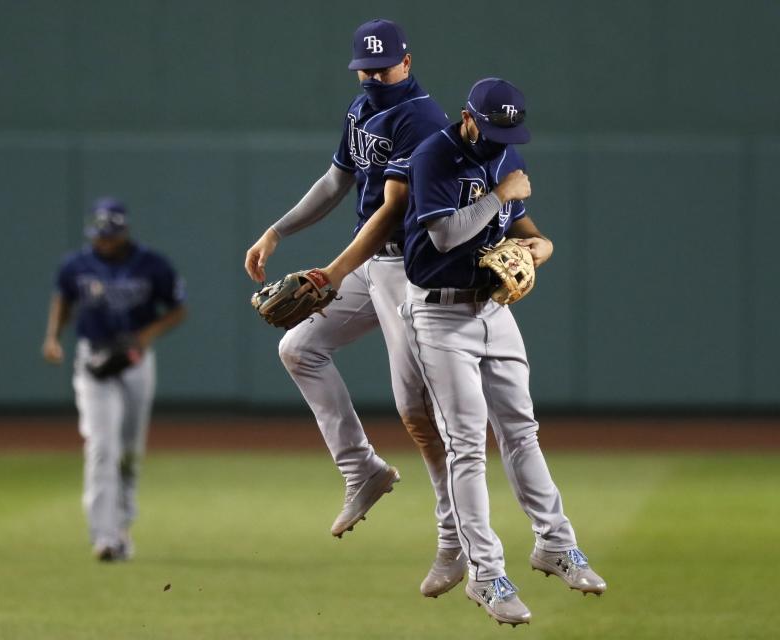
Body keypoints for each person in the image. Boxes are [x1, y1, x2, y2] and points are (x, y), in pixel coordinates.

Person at [244, 18, 467, 597]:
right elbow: (337, 180)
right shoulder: (362, 108)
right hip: (371, 268)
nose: (373, 77)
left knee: (417, 412)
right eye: (365, 69)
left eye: (383, 67)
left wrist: (332, 270)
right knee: (298, 347)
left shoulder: (421, 118)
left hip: (409, 272)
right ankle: (362, 469)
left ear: (407, 63)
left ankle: (454, 540)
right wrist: (278, 230)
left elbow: (393, 212)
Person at [391, 77, 606, 625]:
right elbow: (444, 236)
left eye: (506, 131)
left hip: (493, 308)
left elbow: (518, 224)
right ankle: (486, 576)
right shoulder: (433, 154)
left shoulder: (503, 149)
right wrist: (499, 195)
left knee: (522, 430)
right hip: (438, 313)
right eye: (489, 129)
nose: (497, 140)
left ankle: (555, 544)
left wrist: (542, 244)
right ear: (467, 117)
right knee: (466, 444)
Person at [42, 197, 187, 561]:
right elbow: (63, 299)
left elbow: (177, 309)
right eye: (99, 235)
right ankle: (104, 536)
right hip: (94, 359)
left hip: (135, 360)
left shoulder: (152, 264)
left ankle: (122, 525)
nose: (102, 241)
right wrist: (52, 338)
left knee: (128, 451)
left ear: (123, 232)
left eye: (109, 235)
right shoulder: (76, 264)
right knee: (101, 447)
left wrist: (146, 334)